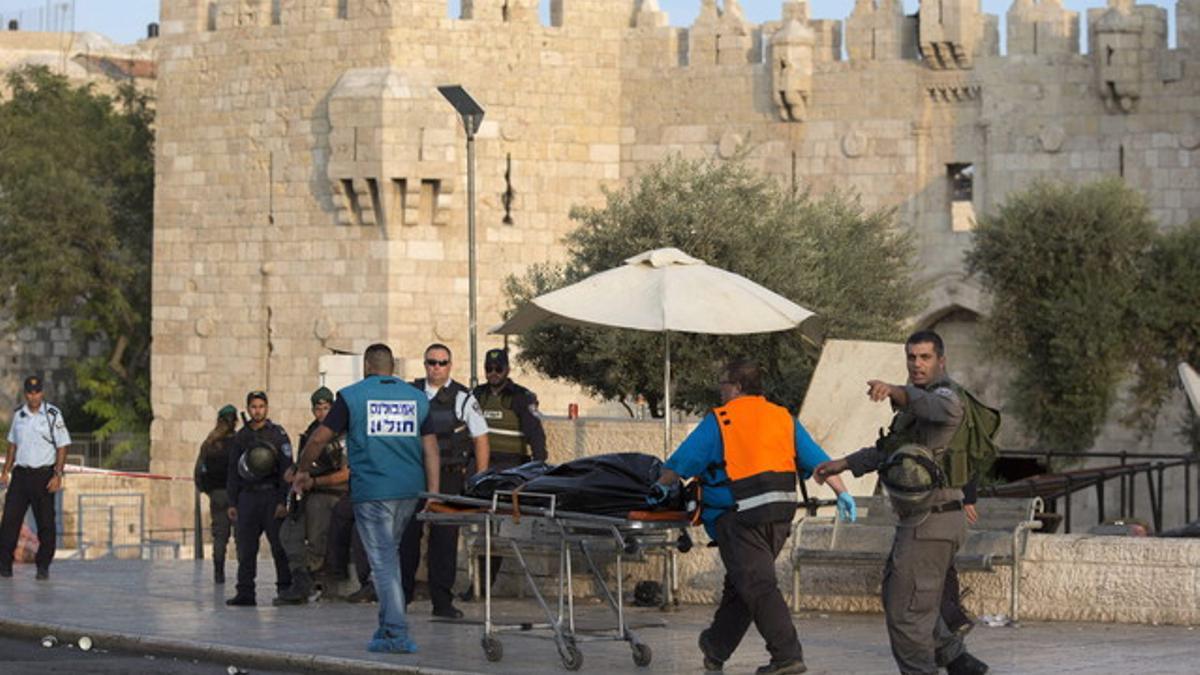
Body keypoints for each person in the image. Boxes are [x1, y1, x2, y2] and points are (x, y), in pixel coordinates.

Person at [648, 360, 856, 675]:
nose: (720, 392)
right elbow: (819, 462)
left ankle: (787, 656)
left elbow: (680, 464)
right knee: (744, 584)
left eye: (723, 385)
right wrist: (842, 492)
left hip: (738, 517)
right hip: (779, 519)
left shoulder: (721, 420)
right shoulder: (782, 418)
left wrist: (658, 490)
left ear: (738, 386)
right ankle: (715, 646)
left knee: (757, 585)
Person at [814, 331, 989, 675]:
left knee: (907, 612)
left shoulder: (947, 398)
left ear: (941, 360)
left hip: (932, 521)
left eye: (925, 357)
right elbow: (889, 450)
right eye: (911, 357)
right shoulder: (917, 404)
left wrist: (895, 390)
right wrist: (843, 464)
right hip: (925, 522)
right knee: (907, 597)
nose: (917, 364)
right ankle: (956, 659)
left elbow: (935, 406)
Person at [292, 343, 439, 653]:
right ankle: (386, 630)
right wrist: (434, 493)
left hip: (373, 492)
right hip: (410, 491)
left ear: (367, 367)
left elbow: (320, 437)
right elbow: (431, 449)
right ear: (392, 369)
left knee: (383, 563)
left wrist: (301, 470)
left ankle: (397, 632)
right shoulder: (416, 398)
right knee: (389, 558)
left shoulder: (352, 396)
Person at [399, 343, 489, 619]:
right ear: (424, 364)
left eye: (441, 363)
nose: (436, 367)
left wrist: (480, 479)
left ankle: (442, 601)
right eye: (431, 362)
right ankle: (401, 598)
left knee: (445, 541)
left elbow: (481, 438)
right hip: (415, 476)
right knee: (407, 539)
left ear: (450, 365)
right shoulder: (411, 394)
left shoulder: (463, 397)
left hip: (450, 478)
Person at [468, 347, 546, 593]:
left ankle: (482, 586)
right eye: (488, 369)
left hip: (509, 467)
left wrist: (539, 466)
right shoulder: (477, 395)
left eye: (497, 369)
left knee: (495, 529)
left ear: (507, 369)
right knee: (479, 527)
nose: (493, 373)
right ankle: (478, 584)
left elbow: (535, 434)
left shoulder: (521, 397)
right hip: (480, 467)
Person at [276, 386, 349, 605]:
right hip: (308, 493)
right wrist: (294, 473)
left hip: (331, 493)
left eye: (327, 408)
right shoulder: (311, 433)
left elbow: (346, 473)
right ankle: (301, 580)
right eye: (318, 409)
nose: (322, 413)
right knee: (288, 534)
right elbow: (301, 463)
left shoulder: (343, 434)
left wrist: (315, 481)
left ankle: (314, 581)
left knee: (318, 539)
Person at [225, 390, 294, 607]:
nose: (257, 411)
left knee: (278, 546)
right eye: (253, 407)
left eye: (261, 406)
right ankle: (245, 591)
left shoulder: (277, 434)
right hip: (248, 497)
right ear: (248, 409)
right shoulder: (241, 437)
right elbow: (233, 471)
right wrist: (233, 502)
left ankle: (285, 589)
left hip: (271, 495)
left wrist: (284, 501)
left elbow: (287, 470)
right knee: (246, 548)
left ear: (267, 408)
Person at [0, 376, 71, 580]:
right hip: (21, 476)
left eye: (37, 392)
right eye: (30, 392)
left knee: (46, 524)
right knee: (9, 523)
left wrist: (58, 474)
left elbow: (62, 446)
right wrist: (6, 470)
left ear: (42, 393)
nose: (34, 396)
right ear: (25, 394)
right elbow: (12, 445)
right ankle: (4, 566)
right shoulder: (19, 415)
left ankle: (43, 567)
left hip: (43, 475)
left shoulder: (52, 414)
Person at [194, 404, 239, 583]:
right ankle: (244, 573)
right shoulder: (240, 441)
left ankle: (219, 573)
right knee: (241, 537)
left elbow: (199, 471)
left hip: (218, 494)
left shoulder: (210, 443)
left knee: (220, 536)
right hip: (237, 494)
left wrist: (208, 490)